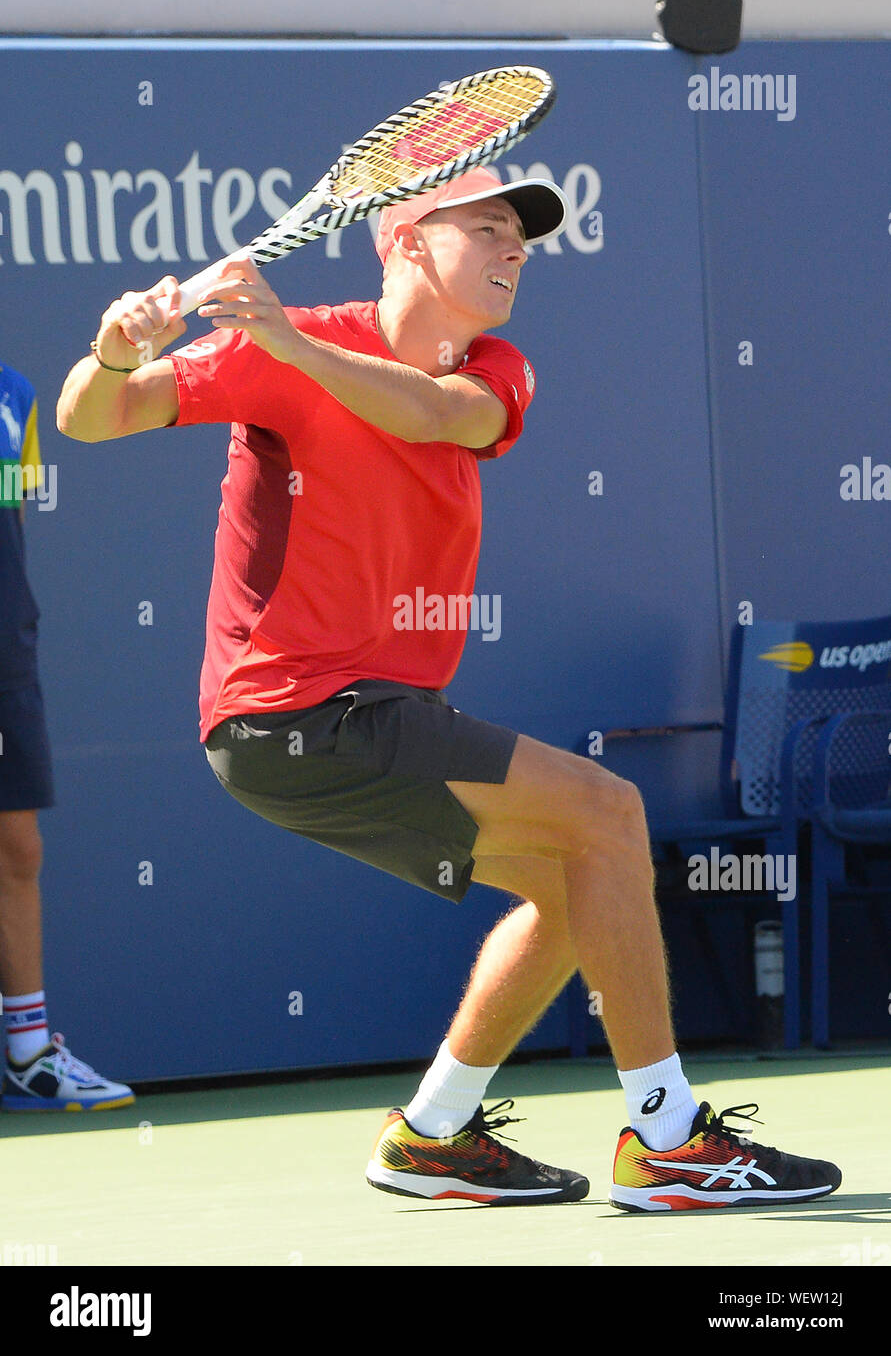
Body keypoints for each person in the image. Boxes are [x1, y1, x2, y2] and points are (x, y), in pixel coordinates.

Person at [57, 168, 840, 1210]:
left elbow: (435, 417)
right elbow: (88, 420)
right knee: (609, 812)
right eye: (486, 229)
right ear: (407, 242)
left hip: (372, 715)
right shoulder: (267, 350)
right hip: (294, 709)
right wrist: (116, 349)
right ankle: (665, 1140)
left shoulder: (490, 368)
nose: (514, 250)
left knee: (579, 888)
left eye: (521, 237)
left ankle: (431, 1133)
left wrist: (294, 346)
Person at [0, 359, 134, 1111]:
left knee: (17, 846)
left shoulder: (14, 391)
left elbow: (9, 520)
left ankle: (29, 1053)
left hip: (2, 653)